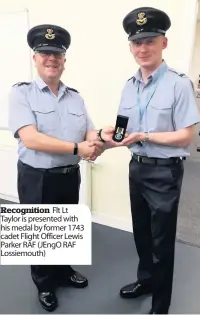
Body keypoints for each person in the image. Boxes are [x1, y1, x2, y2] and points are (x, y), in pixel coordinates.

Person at [8, 24, 113, 312]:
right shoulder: (22, 93)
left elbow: (88, 133)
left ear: (64, 59)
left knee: (65, 226)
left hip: (69, 174)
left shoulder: (75, 96)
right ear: (35, 57)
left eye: (57, 53)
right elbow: (30, 138)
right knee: (40, 232)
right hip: (37, 176)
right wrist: (78, 149)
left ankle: (63, 271)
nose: (51, 58)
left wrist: (105, 136)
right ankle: (44, 283)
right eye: (45, 52)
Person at [115, 6, 200, 314]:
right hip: (136, 168)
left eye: (150, 40)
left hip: (165, 173)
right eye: (137, 42)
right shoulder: (129, 85)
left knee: (162, 244)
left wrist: (144, 136)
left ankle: (160, 306)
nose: (143, 48)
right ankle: (145, 280)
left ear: (163, 42)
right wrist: (103, 139)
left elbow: (185, 137)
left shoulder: (179, 84)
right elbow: (123, 130)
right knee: (141, 234)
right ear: (130, 47)